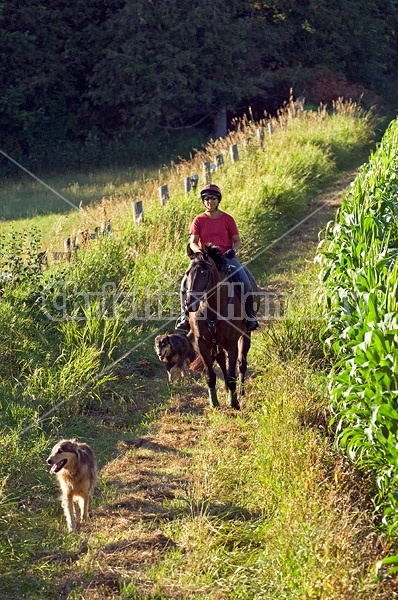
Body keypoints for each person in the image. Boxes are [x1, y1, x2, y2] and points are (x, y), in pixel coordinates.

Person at [175, 183, 259, 333]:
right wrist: (201, 252)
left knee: (244, 280)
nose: (209, 201)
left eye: (213, 198)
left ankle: (250, 315)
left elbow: (237, 240)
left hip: (225, 257)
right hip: (204, 258)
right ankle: (184, 316)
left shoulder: (227, 219)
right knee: (184, 282)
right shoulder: (198, 220)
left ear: (218, 200)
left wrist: (233, 250)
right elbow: (193, 243)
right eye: (206, 198)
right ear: (203, 201)